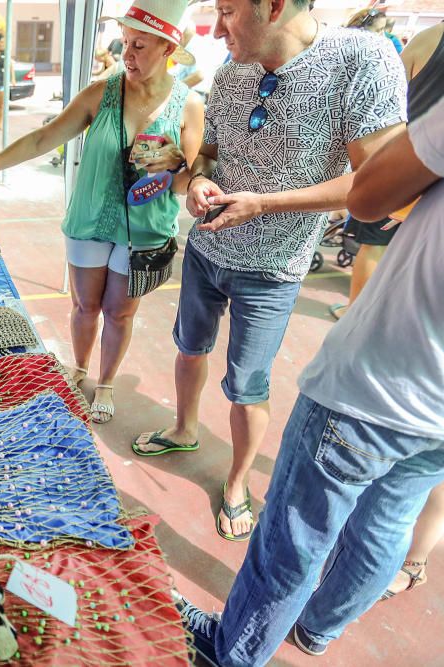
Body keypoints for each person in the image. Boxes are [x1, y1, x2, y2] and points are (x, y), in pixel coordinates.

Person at [176, 94, 444, 667]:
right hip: (433, 410)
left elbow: (370, 195)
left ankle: (231, 652)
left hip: (380, 386)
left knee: (293, 537)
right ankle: (316, 630)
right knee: (387, 523)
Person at [132, 0, 407, 543]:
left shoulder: (361, 58)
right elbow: (209, 152)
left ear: (274, 7)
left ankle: (236, 483)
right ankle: (186, 428)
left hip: (274, 270)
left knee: (247, 388)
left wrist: (264, 204)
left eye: (229, 11)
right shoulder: (233, 71)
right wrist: (201, 179)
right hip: (207, 251)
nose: (215, 28)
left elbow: (381, 182)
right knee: (189, 348)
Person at [0, 0, 204, 424]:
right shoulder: (103, 93)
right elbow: (44, 137)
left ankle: (105, 381)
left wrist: (171, 164)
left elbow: (184, 179)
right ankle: (80, 367)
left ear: (167, 49)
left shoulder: (188, 105)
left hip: (144, 230)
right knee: (86, 306)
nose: (128, 55)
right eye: (125, 43)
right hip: (90, 221)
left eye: (139, 45)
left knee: (120, 312)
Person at [378, 20, 444, 601]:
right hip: (414, 250)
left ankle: (415, 558)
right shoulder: (427, 43)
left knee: (426, 466)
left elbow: (373, 191)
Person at [330, 21, 444, 321]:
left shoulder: (430, 37)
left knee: (373, 245)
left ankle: (355, 314)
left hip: (401, 167)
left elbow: (389, 94)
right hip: (425, 179)